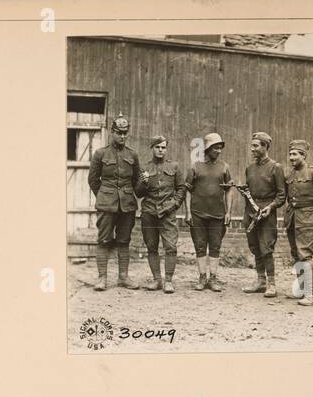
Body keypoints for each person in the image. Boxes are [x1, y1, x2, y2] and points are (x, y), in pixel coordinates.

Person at [87, 115, 140, 291]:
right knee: (104, 240)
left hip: (127, 205)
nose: (122, 136)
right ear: (112, 132)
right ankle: (102, 278)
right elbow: (93, 180)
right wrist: (104, 196)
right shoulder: (100, 154)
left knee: (124, 241)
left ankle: (123, 277)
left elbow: (136, 181)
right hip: (106, 205)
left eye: (125, 133)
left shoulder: (132, 154)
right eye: (119, 133)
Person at [136, 136, 187, 293]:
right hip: (149, 212)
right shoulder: (144, 167)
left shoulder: (174, 166)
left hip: (167, 213)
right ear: (152, 148)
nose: (160, 150)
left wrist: (174, 204)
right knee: (151, 246)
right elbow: (138, 193)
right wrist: (143, 182)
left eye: (163, 147)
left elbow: (181, 188)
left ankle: (169, 281)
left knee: (170, 247)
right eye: (157, 147)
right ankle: (157, 280)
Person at [185, 132, 232, 292]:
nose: (218, 151)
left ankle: (213, 278)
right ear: (207, 148)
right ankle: (202, 277)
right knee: (200, 246)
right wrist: (188, 212)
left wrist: (228, 212)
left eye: (220, 148)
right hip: (198, 214)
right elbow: (188, 190)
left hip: (217, 215)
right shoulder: (195, 166)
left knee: (215, 246)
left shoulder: (224, 167)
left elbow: (229, 190)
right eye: (215, 148)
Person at [283, 139, 313, 303]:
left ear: (303, 155)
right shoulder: (290, 174)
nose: (291, 158)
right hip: (292, 217)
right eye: (290, 154)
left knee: (305, 254)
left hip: (307, 217)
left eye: (295, 154)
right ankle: (302, 289)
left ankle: (312, 293)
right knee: (296, 253)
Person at [242, 131, 286, 298]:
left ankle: (271, 284)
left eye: (256, 146)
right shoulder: (250, 168)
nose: (252, 149)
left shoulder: (276, 167)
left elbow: (282, 195)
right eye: (251, 146)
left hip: (267, 213)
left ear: (265, 146)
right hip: (251, 212)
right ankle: (260, 281)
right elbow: (249, 190)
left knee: (266, 248)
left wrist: (271, 207)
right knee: (254, 247)